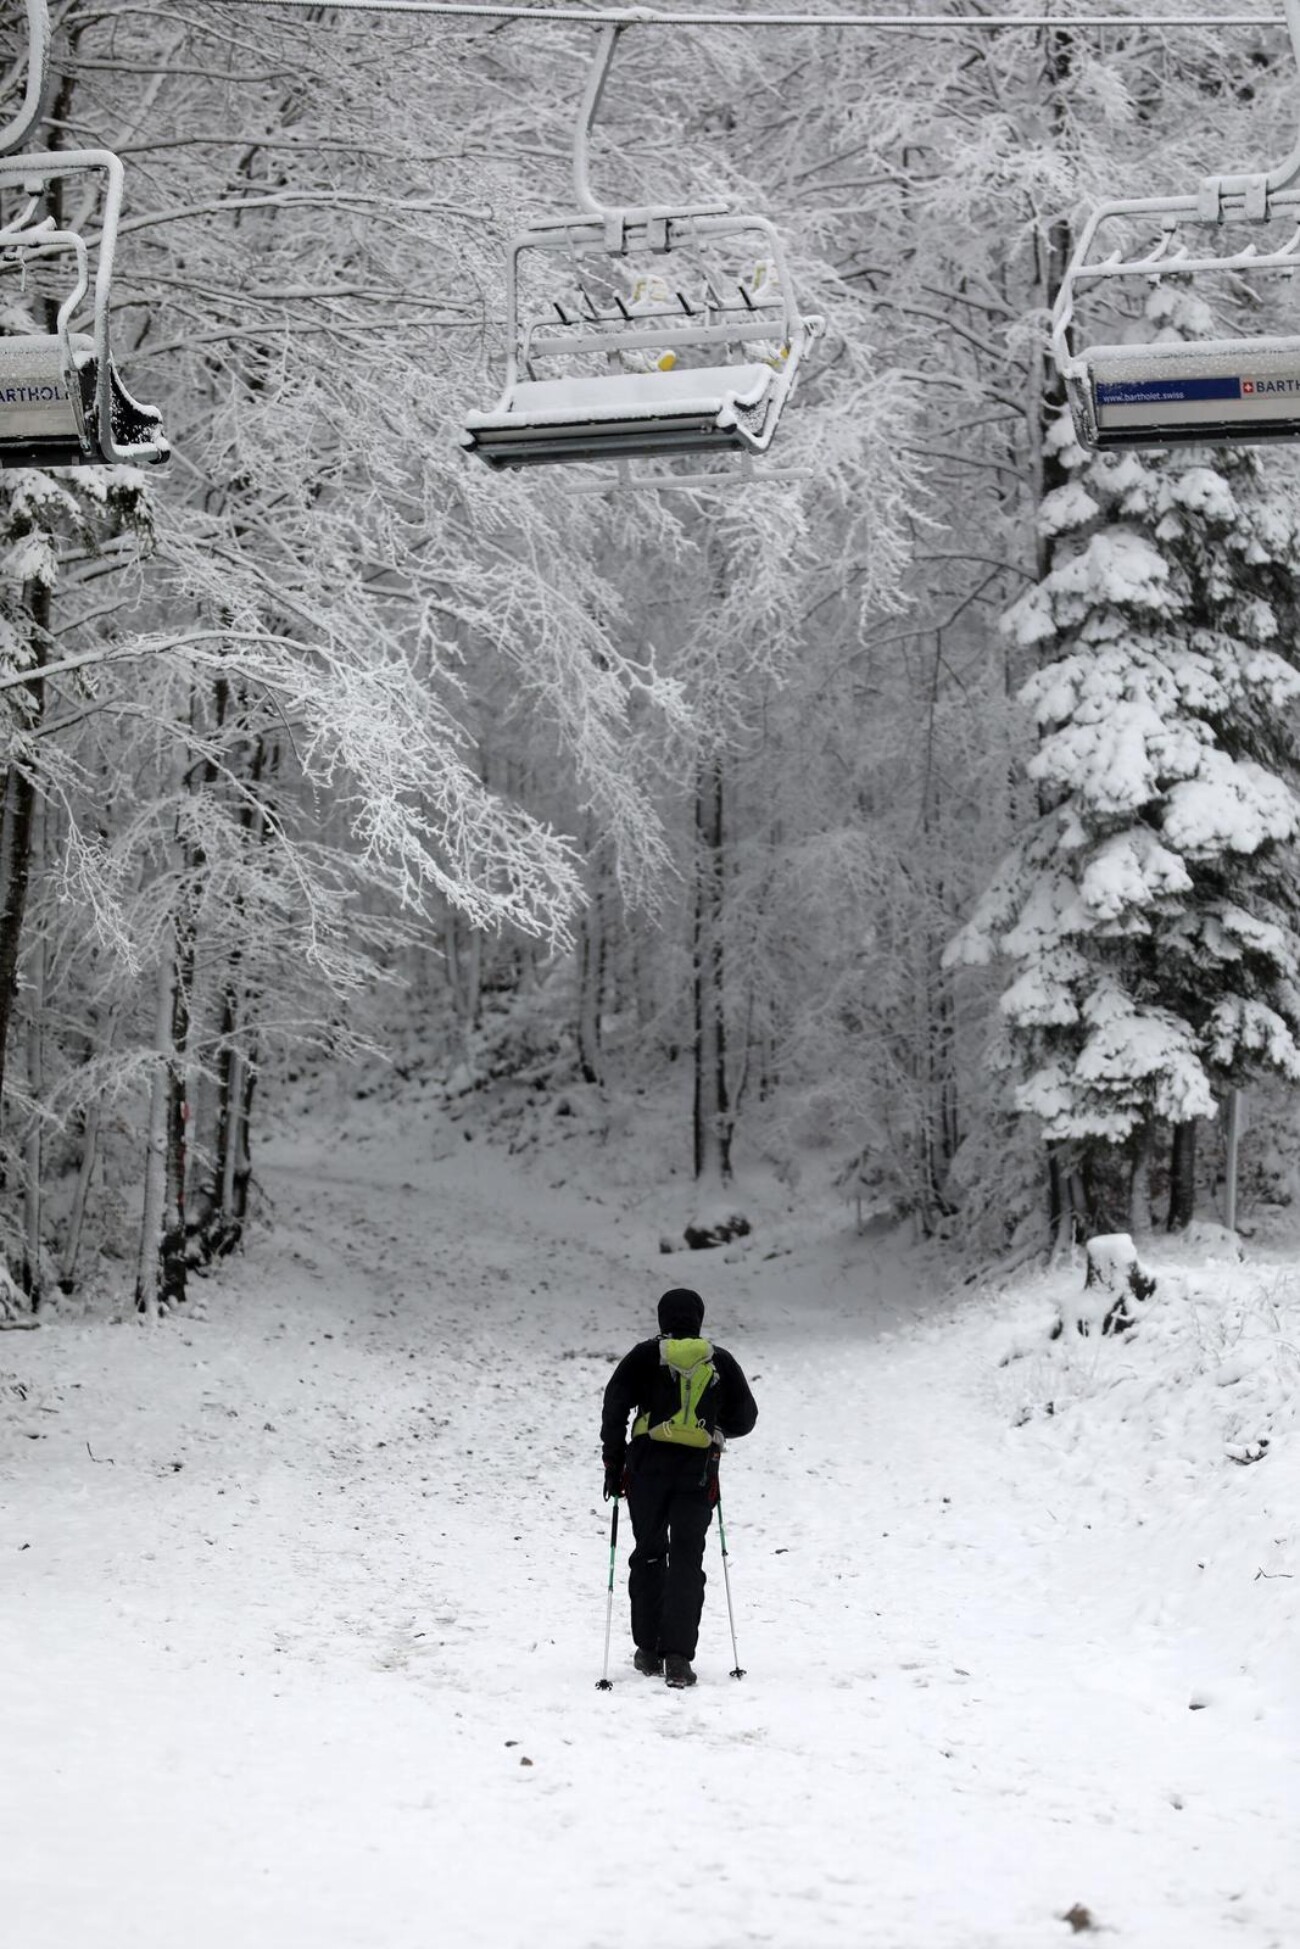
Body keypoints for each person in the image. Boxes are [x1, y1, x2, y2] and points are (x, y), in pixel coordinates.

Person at [601, 1286, 757, 1688]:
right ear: (699, 1319)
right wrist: (715, 1430)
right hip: (697, 1473)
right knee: (688, 1560)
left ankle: (647, 1650)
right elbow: (747, 1416)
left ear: (662, 1318)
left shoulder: (643, 1356)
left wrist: (613, 1462)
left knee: (649, 1553)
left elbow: (615, 1406)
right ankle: (679, 1659)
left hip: (646, 1470)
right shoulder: (717, 1359)